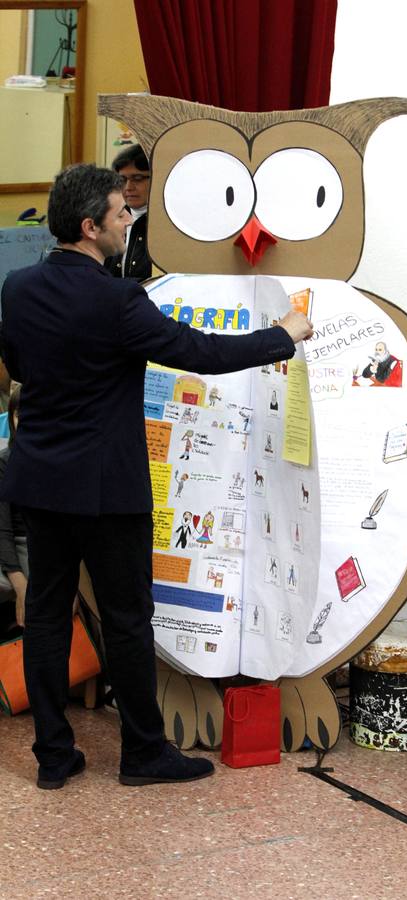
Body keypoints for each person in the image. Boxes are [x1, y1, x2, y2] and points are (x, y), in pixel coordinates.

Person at [0, 163, 313, 790]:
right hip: (108, 490)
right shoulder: (118, 301)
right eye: (120, 213)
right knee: (126, 618)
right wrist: (283, 334)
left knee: (48, 612)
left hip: (40, 480)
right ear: (90, 227)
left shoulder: (16, 287)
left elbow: (21, 364)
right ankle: (143, 753)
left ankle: (54, 758)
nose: (128, 222)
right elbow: (201, 353)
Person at [0, 386, 27, 638]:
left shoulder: (59, 466)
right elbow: (2, 529)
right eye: (20, 414)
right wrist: (20, 585)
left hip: (50, 554)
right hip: (13, 551)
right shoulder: (5, 462)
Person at [104, 144, 151, 282]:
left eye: (138, 178)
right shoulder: (108, 220)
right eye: (122, 180)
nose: (128, 187)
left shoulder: (169, 224)